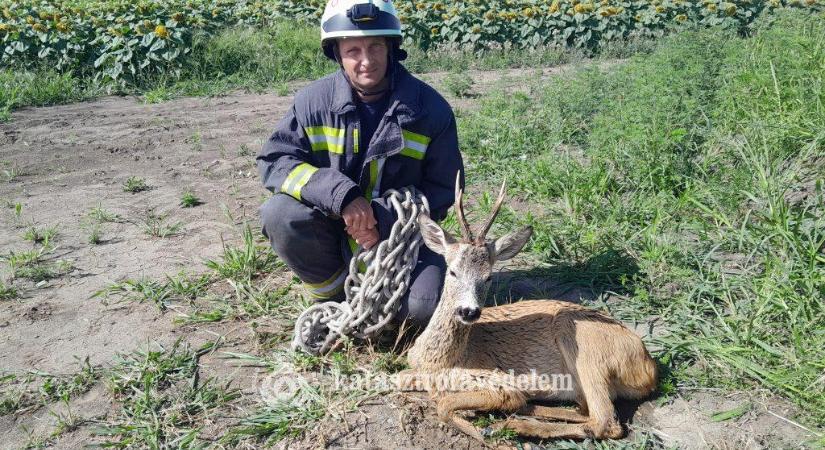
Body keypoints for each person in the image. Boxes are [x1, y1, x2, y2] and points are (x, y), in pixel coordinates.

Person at [257, 0, 464, 327]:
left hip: (401, 239)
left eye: (375, 47)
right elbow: (276, 160)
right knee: (279, 214)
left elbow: (443, 190)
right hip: (329, 226)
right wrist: (341, 196)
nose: (366, 61)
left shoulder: (431, 110)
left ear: (391, 48)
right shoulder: (312, 102)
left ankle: (383, 297)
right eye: (353, 50)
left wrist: (381, 217)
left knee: (423, 310)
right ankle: (334, 297)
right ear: (337, 53)